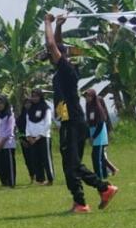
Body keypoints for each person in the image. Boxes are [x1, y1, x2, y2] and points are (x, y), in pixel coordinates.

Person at [45, 13, 118, 212]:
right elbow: (57, 45)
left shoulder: (66, 70)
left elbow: (53, 46)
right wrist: (59, 26)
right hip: (70, 123)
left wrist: (47, 23)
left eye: (51, 55)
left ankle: (105, 187)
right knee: (69, 167)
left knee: (74, 165)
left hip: (73, 123)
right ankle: (80, 202)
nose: (49, 56)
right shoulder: (64, 69)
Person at [84, 89, 117, 179]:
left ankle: (99, 176)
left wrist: (93, 137)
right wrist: (88, 135)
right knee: (101, 157)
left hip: (99, 135)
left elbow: (100, 124)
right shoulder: (88, 106)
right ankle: (105, 175)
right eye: (86, 96)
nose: (87, 98)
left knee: (96, 157)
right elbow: (88, 122)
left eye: (89, 96)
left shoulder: (97, 108)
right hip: (93, 134)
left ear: (93, 97)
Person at [25, 88, 55, 185]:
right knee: (35, 159)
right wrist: (28, 135)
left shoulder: (46, 108)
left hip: (44, 137)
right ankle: (40, 179)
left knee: (46, 158)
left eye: (36, 96)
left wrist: (39, 136)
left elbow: (48, 123)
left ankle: (50, 179)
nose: (34, 98)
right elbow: (27, 123)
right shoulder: (30, 109)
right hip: (32, 138)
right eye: (33, 96)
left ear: (40, 96)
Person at [0, 94, 16, 188]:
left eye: (1, 103)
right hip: (0, 143)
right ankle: (5, 181)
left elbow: (9, 131)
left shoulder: (10, 115)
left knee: (9, 165)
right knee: (0, 164)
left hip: (8, 143)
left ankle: (11, 183)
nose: (0, 105)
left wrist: (1, 143)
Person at [17, 97, 37, 183]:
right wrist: (22, 140)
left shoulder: (36, 115)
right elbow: (19, 130)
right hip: (24, 141)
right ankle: (32, 176)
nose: (27, 105)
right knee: (28, 160)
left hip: (35, 140)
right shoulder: (20, 117)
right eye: (26, 103)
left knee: (36, 159)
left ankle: (39, 176)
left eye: (29, 103)